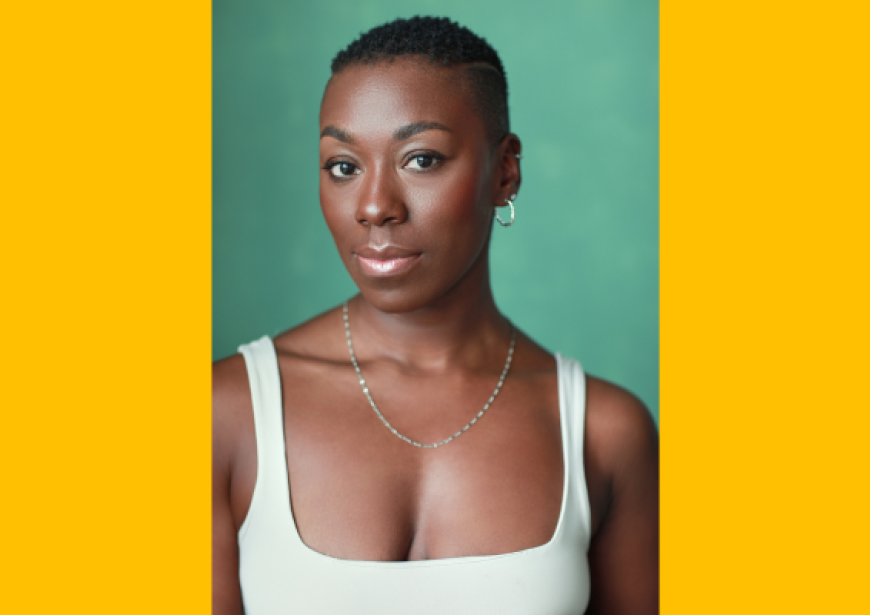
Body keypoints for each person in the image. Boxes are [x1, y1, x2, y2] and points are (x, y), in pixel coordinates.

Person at [213, 16, 658, 615]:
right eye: (343, 166)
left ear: (505, 171)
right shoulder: (226, 414)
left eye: (420, 159)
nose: (374, 207)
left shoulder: (603, 434)